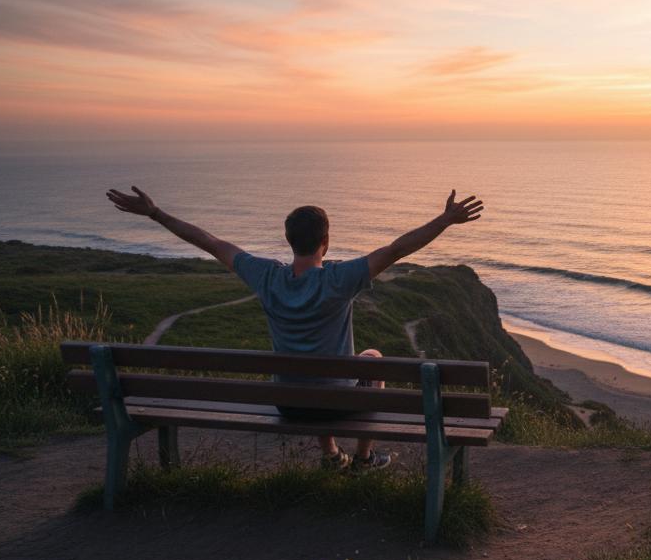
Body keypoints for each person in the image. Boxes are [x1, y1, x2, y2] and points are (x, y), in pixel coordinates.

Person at [106, 186, 484, 472]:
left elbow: (208, 241)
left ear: (289, 240)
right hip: (338, 403)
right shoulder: (339, 279)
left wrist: (154, 212)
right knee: (372, 359)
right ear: (326, 241)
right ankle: (364, 458)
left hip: (288, 403)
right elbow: (397, 249)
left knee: (310, 370)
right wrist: (445, 220)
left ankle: (332, 455)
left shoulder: (266, 277)